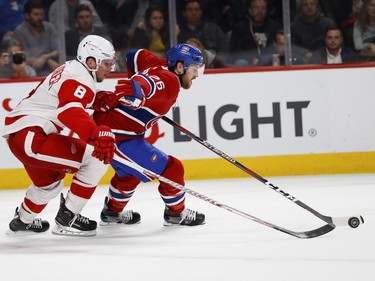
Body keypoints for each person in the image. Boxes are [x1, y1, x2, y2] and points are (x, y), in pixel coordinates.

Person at [2, 35, 117, 236]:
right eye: (107, 63)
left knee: (49, 185)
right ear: (91, 62)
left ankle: (22, 222)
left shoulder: (73, 69)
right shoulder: (80, 76)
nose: (111, 68)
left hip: (21, 136)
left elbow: (63, 101)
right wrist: (95, 134)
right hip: (33, 136)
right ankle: (68, 218)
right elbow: (68, 110)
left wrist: (94, 100)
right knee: (96, 159)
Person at [92, 43, 206, 227]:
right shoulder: (170, 80)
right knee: (173, 168)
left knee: (130, 174)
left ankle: (112, 212)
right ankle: (177, 214)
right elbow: (151, 85)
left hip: (114, 130)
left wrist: (140, 98)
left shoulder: (156, 64)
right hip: (116, 136)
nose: (196, 75)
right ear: (179, 67)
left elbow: (133, 55)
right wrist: (138, 93)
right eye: (193, 69)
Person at [12, 0, 60, 76]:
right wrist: (46, 60)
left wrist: (44, 58)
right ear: (27, 15)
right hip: (31, 68)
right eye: (36, 15)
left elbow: (57, 50)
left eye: (41, 14)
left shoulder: (49, 27)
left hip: (51, 66)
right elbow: (23, 56)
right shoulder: (20, 31)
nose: (40, 17)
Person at [230, 0, 282, 67]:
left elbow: (280, 47)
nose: (260, 11)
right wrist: (251, 58)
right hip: (247, 62)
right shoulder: (239, 28)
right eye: (256, 8)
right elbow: (235, 52)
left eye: (263, 8)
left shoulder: (274, 26)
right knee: (240, 63)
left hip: (269, 60)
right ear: (250, 10)